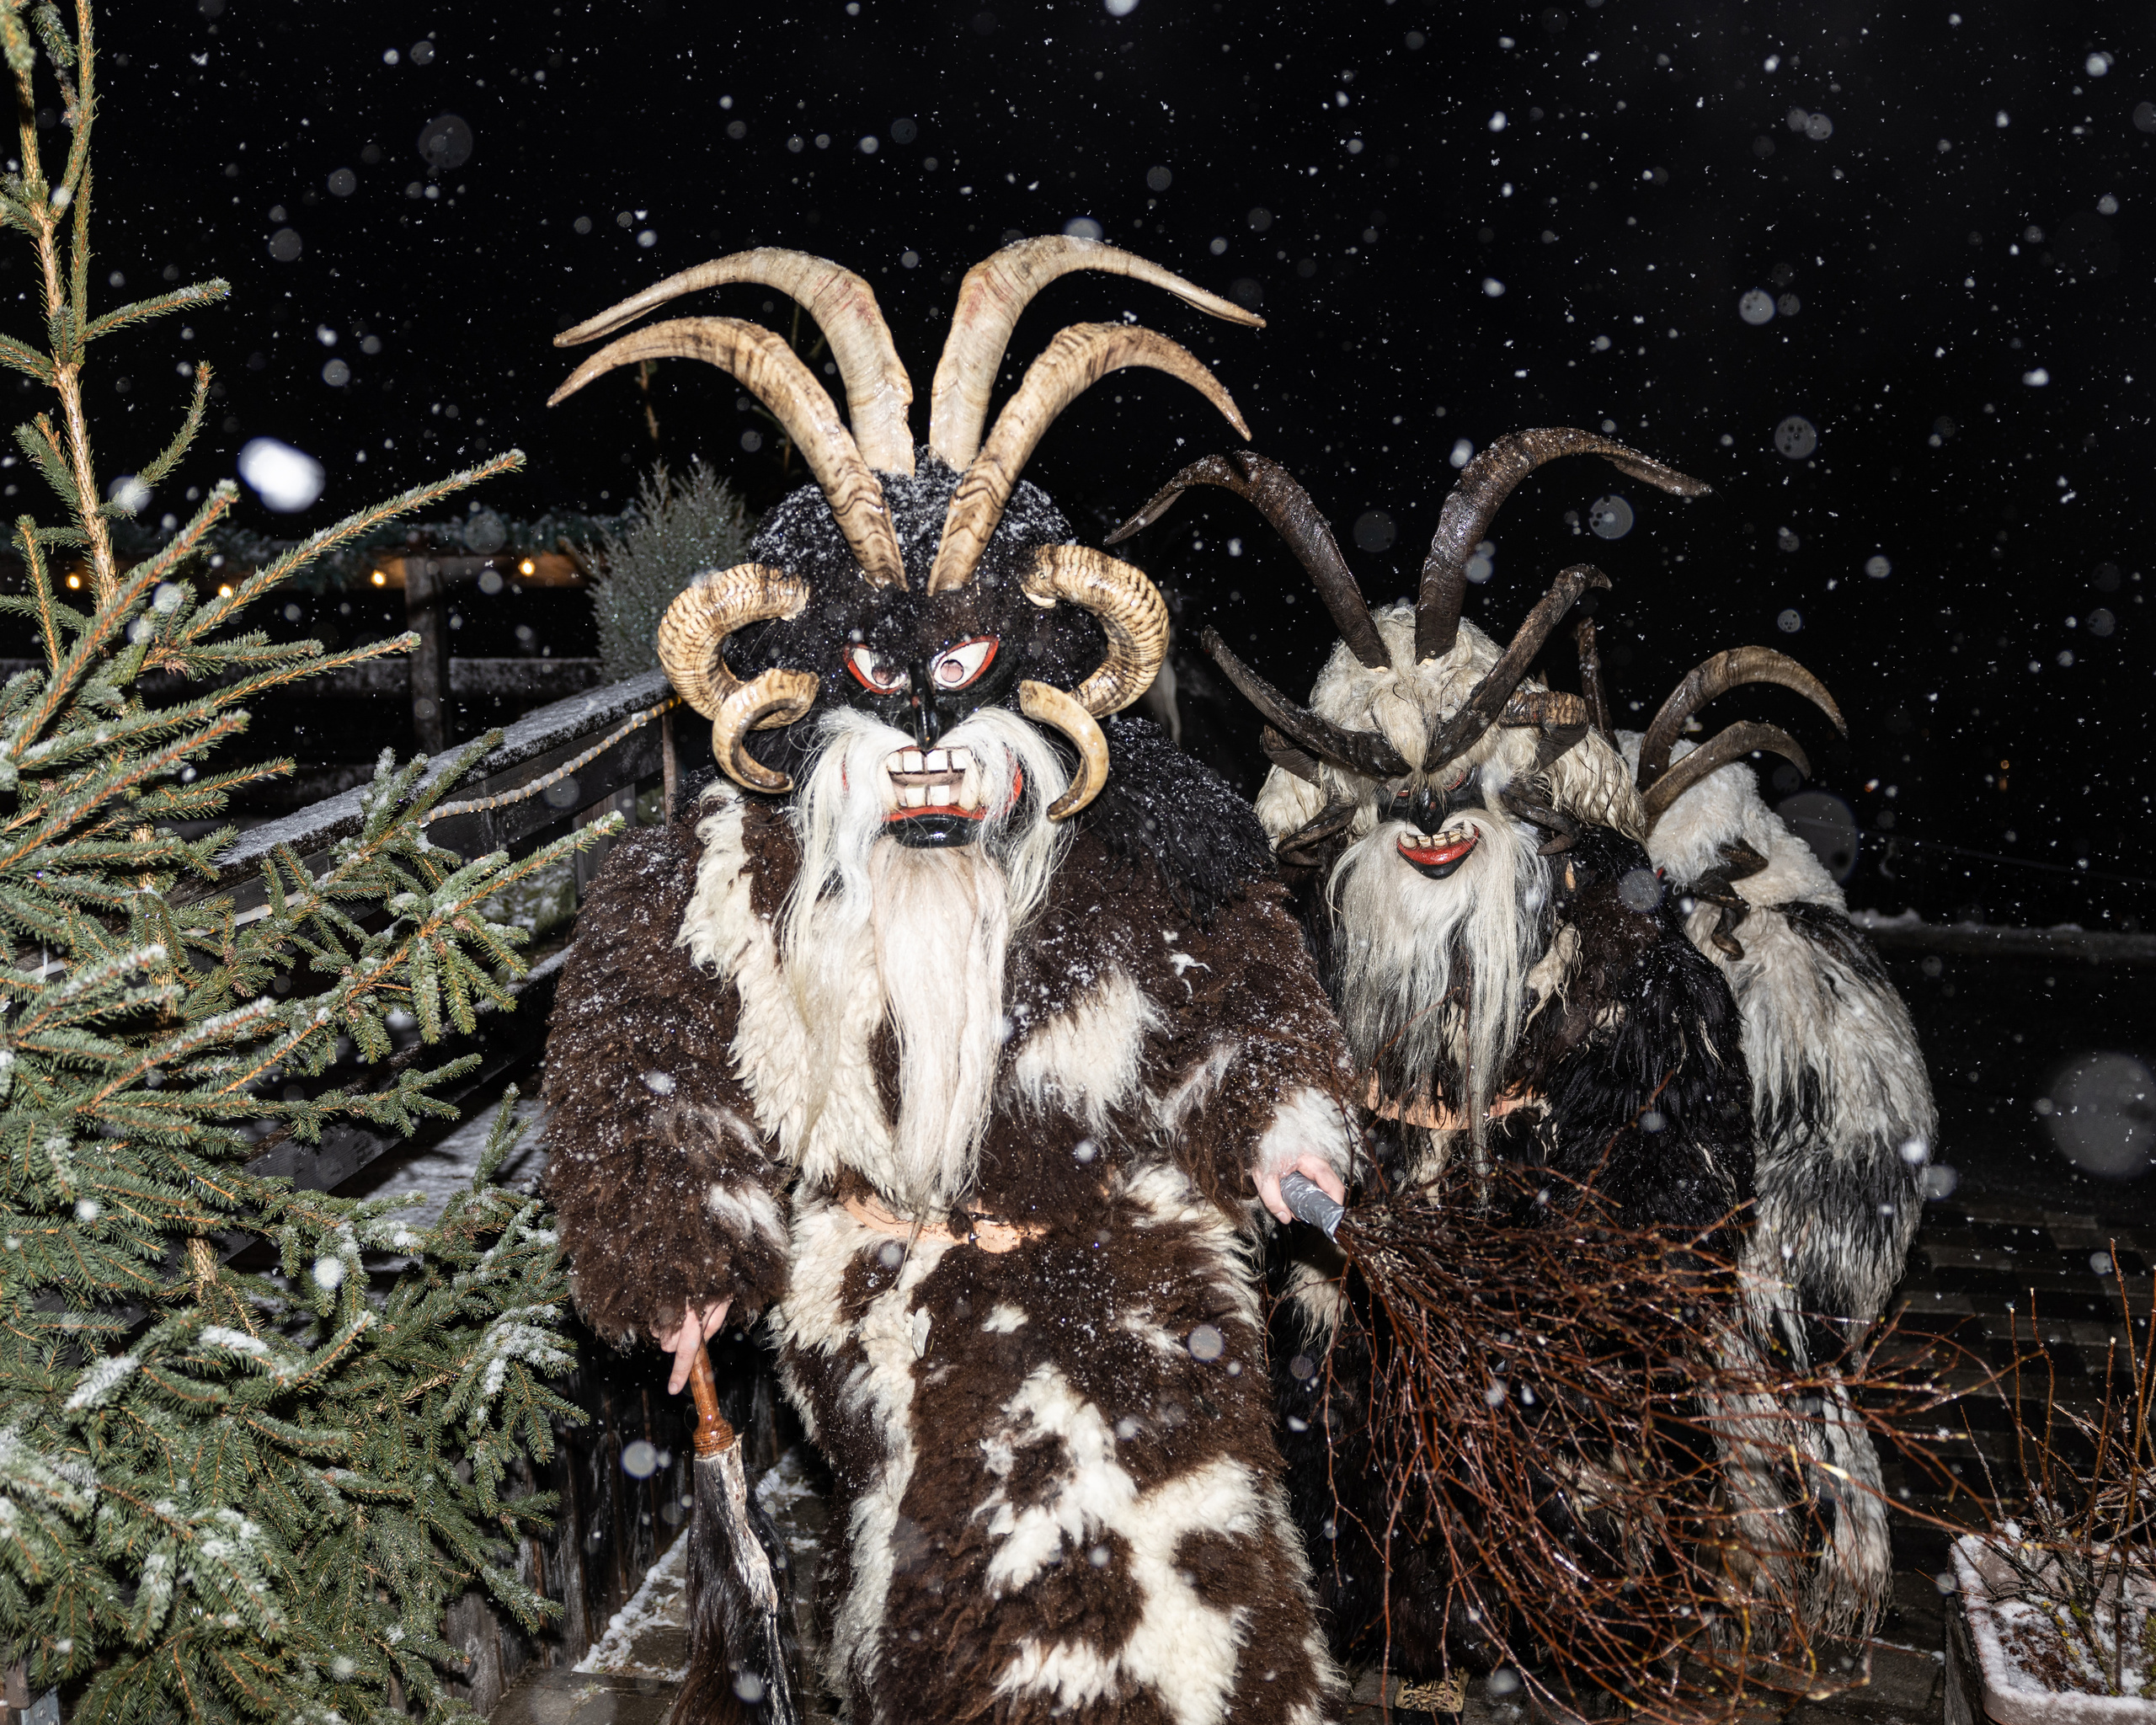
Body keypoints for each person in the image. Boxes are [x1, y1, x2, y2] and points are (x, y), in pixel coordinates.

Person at [540, 240, 1354, 1725]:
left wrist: (1285, 1129)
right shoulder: (727, 871)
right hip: (891, 1287)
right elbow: (641, 1046)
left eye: (964, 671)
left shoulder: (1131, 841)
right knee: (981, 1599)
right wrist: (672, 1243)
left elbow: (1239, 987)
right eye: (874, 689)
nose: (920, 739)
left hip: (1129, 1257)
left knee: (1205, 1595)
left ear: (1035, 662)